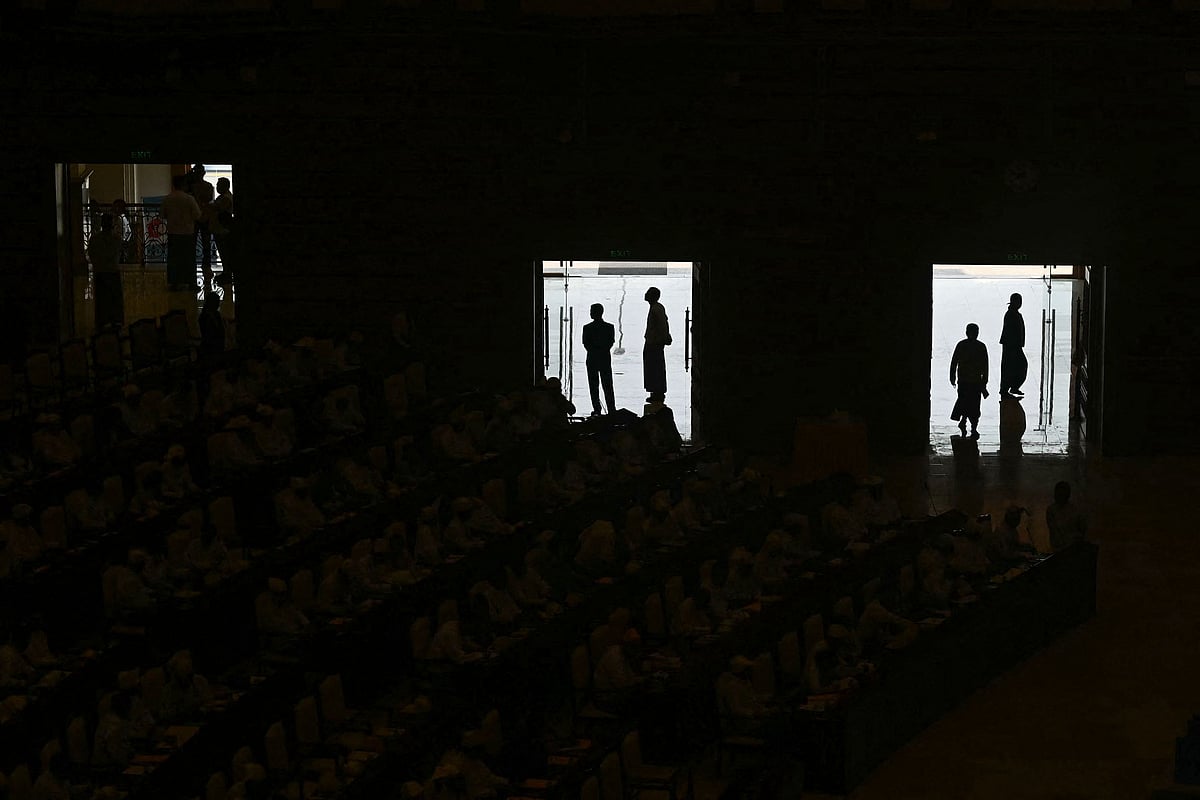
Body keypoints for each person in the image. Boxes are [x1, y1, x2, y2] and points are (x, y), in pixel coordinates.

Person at [162, 173, 202, 292]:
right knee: (188, 259)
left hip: (173, 232)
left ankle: (174, 282)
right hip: (187, 233)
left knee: (174, 259)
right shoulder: (189, 199)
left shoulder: (168, 198)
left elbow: (162, 214)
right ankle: (190, 282)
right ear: (184, 185)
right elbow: (197, 215)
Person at [949, 323, 990, 439]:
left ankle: (964, 421)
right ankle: (973, 428)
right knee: (975, 406)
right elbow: (986, 366)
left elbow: (954, 363)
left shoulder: (961, 345)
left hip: (964, 381)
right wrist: (984, 381)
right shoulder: (981, 346)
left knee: (964, 402)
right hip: (975, 381)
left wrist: (952, 377)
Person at [89, 213, 124, 329]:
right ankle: (116, 320)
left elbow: (91, 255)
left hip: (100, 271)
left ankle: (102, 321)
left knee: (101, 298)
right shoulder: (117, 239)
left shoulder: (94, 239)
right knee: (114, 298)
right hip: (113, 271)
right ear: (112, 225)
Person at [581, 303, 616, 416]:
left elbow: (586, 344)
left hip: (592, 359)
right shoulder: (609, 327)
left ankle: (597, 409)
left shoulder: (587, 328)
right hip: (605, 358)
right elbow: (610, 343)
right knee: (608, 385)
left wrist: (594, 351)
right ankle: (611, 408)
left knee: (593, 386)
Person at [188, 164, 216, 285]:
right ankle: (205, 267)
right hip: (202, 217)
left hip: (198, 218)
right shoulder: (207, 186)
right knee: (205, 244)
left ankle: (198, 267)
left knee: (200, 244)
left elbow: (208, 199)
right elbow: (209, 199)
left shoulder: (191, 187)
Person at [642, 287, 671, 404]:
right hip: (654, 342)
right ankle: (656, 391)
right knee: (655, 367)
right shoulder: (657, 308)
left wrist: (664, 337)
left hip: (654, 343)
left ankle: (657, 391)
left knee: (654, 368)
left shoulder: (656, 309)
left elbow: (662, 325)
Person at [999, 292, 1027, 399]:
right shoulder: (1011, 314)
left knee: (1012, 367)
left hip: (1013, 345)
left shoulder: (1013, 313)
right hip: (1012, 346)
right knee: (1013, 366)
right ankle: (1009, 387)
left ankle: (1011, 387)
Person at [1046, 480, 1087, 551]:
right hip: (1062, 549)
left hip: (1071, 549)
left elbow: (1082, 529)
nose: (1059, 495)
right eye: (1058, 493)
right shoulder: (1052, 510)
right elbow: (1054, 532)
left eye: (1061, 493)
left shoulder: (1075, 510)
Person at [210, 177, 233, 283]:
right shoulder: (223, 197)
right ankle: (226, 272)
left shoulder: (226, 198)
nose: (217, 187)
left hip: (223, 229)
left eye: (219, 185)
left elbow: (219, 208)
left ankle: (227, 273)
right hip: (220, 228)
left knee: (225, 252)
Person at [199, 291, 226, 356]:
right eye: (217, 302)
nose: (218, 304)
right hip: (211, 348)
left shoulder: (214, 314)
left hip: (215, 346)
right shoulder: (207, 316)